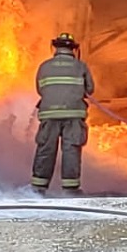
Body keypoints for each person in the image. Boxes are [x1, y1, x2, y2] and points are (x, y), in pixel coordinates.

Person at [30, 33, 95, 195]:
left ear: (55, 47)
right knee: (71, 149)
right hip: (73, 114)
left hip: (49, 114)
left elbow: (40, 89)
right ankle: (70, 189)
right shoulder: (81, 66)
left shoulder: (44, 66)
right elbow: (90, 90)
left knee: (46, 148)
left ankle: (39, 188)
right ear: (73, 49)